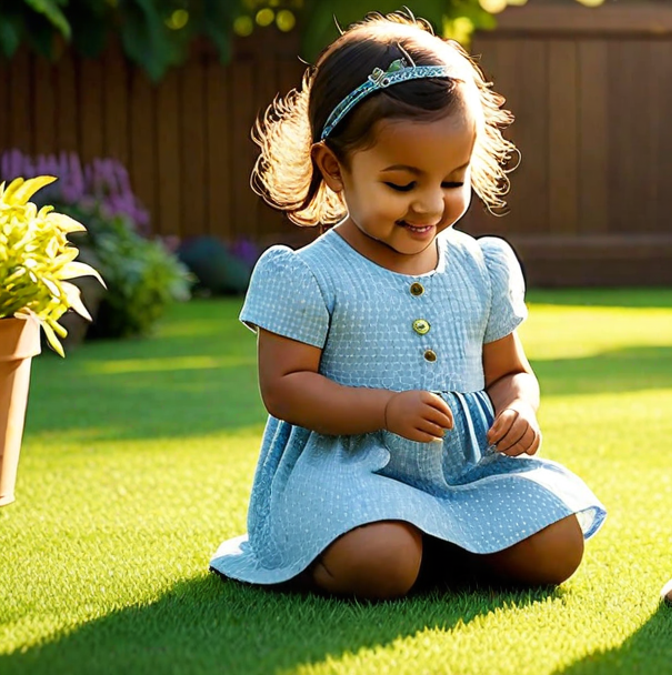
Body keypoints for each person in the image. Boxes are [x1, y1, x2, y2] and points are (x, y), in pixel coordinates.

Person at [210, 12, 605, 600]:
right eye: (401, 184)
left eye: (452, 180)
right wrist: (386, 408)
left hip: (464, 472)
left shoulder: (482, 266)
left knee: (557, 544)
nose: (429, 205)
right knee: (381, 562)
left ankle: (442, 540)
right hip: (348, 475)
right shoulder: (308, 275)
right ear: (334, 169)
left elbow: (509, 371)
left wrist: (520, 409)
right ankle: (331, 550)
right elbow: (285, 388)